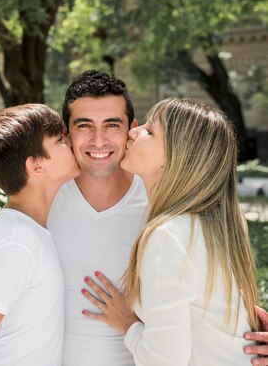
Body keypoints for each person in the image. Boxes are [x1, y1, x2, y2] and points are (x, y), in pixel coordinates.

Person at [81, 98, 259, 364]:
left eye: (150, 132)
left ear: (176, 159)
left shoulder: (169, 236)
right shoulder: (207, 227)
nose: (133, 131)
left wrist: (127, 323)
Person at [0, 104, 80, 365]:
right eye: (59, 140)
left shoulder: (31, 230)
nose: (71, 142)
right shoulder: (17, 241)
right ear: (36, 164)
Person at [48, 70, 145, 365]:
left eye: (112, 125)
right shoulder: (43, 199)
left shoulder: (157, 201)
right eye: (84, 125)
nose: (99, 140)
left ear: (132, 130)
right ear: (65, 133)